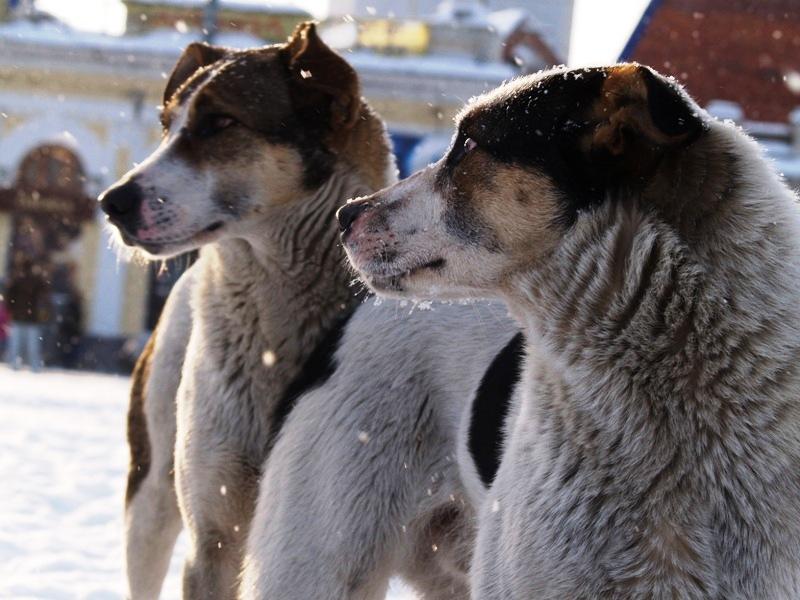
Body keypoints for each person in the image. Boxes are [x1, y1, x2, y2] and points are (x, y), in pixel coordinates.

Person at [4, 254, 51, 371]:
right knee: (33, 346)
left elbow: (8, 297)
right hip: (32, 318)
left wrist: (11, 309)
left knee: (15, 344)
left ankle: (14, 364)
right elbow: (45, 292)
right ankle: (35, 366)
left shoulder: (16, 279)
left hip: (18, 317)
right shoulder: (36, 279)